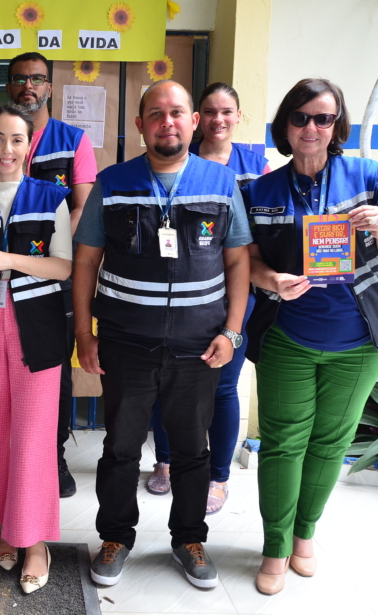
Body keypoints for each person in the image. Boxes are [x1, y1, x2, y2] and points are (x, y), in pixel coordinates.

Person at [73, 80, 252, 590]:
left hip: (199, 345)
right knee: (121, 447)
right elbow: (86, 260)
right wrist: (83, 333)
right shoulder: (112, 182)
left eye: (177, 113)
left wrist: (233, 332)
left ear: (194, 122)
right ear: (140, 125)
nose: (167, 122)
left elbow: (237, 259)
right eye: (156, 114)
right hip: (126, 342)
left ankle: (189, 538)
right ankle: (115, 537)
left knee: (193, 450)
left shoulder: (220, 184)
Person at [242, 79, 378, 595]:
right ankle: (275, 545)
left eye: (323, 118)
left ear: (338, 125)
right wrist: (272, 281)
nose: (311, 128)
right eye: (300, 118)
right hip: (288, 336)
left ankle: (305, 535)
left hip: (358, 340)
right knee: (285, 443)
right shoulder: (261, 189)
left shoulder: (365, 174)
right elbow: (243, 260)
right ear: (284, 125)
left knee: (330, 443)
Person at [0, 52, 98, 498]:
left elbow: (81, 207)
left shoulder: (70, 144)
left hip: (43, 292)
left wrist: (21, 249)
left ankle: (49, 460)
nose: (6, 149)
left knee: (44, 390)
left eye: (38, 78)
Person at [0, 105, 72, 594]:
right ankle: (6, 526)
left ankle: (34, 543)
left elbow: (64, 267)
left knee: (32, 438)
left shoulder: (53, 198)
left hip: (38, 332)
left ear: (31, 146)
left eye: (17, 140)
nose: (7, 150)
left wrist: (7, 258)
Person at [146, 82, 270, 513]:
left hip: (235, 293)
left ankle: (218, 476)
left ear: (238, 116)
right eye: (210, 111)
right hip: (179, 294)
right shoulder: (179, 158)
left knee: (222, 389)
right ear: (197, 117)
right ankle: (164, 462)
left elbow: (263, 235)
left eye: (227, 111)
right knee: (166, 385)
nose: (219, 119)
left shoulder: (257, 169)